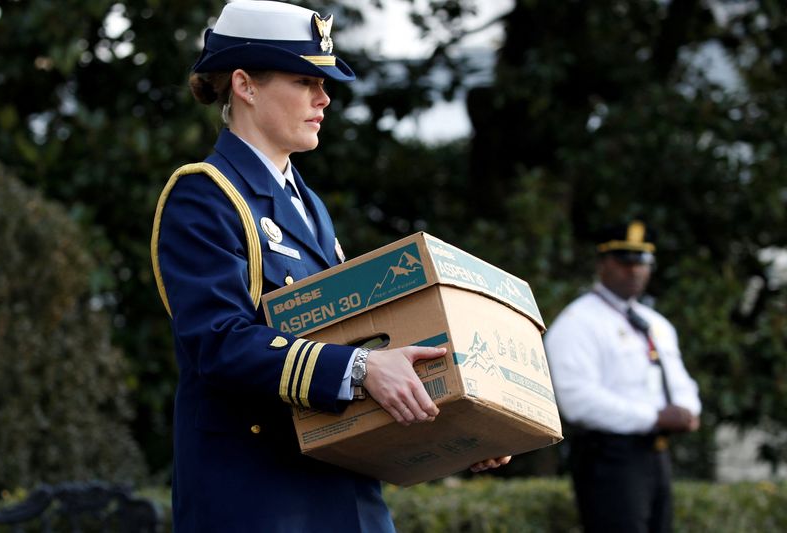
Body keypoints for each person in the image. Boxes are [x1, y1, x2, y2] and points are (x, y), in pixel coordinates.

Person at [150, 2, 507, 531]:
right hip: (256, 497)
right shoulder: (204, 194)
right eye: (304, 80)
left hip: (342, 492)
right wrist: (361, 369)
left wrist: (457, 425)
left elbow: (344, 339)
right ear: (245, 85)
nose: (325, 97)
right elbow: (219, 342)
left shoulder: (307, 203)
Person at [544, 220, 701, 533]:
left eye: (643, 263)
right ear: (603, 263)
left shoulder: (656, 323)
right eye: (625, 262)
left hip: (655, 455)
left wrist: (688, 411)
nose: (635, 271)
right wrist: (655, 417)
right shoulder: (578, 322)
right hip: (608, 458)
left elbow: (681, 382)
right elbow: (577, 400)